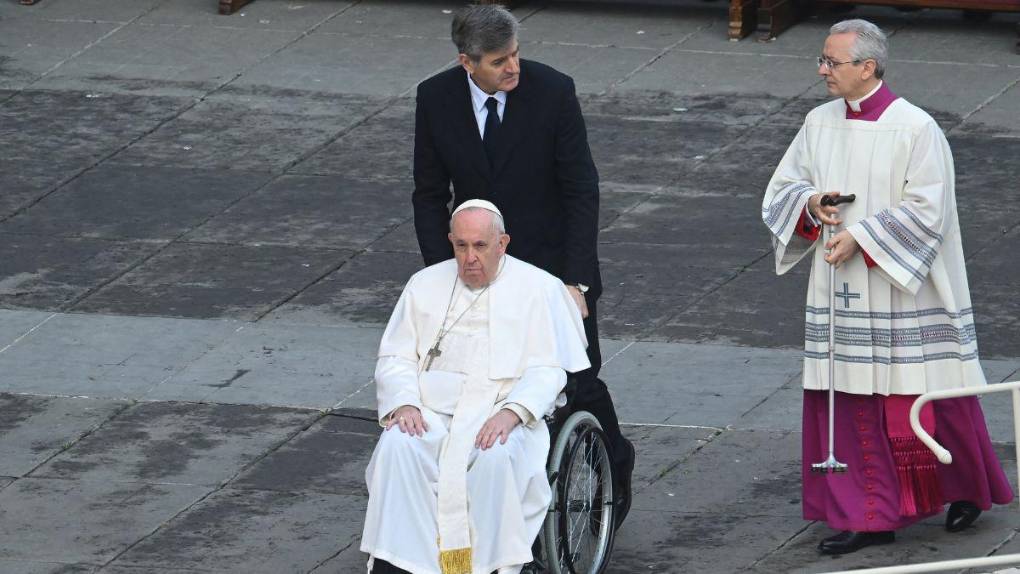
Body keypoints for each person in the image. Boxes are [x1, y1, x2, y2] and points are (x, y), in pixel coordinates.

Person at [762, 19, 1013, 555]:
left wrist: (863, 238)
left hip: (906, 287)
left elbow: (929, 211)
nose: (821, 70)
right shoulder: (818, 122)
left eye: (833, 62)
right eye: (824, 60)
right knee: (849, 397)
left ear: (868, 67)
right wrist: (813, 205)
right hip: (841, 287)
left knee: (928, 396)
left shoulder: (916, 129)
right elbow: (785, 186)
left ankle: (962, 486)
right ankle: (868, 514)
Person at [411, 4, 635, 527]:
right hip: (477, 266)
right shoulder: (436, 98)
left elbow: (581, 190)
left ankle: (613, 467)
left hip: (553, 267)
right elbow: (428, 194)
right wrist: (444, 272)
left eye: (515, 54)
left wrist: (576, 282)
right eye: (498, 61)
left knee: (575, 380)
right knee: (479, 379)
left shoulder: (553, 91)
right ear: (467, 62)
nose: (512, 67)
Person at [361, 200, 590, 574]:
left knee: (495, 456)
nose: (469, 257)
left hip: (498, 414)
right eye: (461, 246)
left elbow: (549, 370)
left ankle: (489, 566)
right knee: (398, 444)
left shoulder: (539, 288)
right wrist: (404, 404)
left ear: (502, 244)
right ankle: (399, 562)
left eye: (480, 246)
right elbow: (395, 358)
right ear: (450, 242)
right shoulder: (424, 284)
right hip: (432, 413)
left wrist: (513, 412)